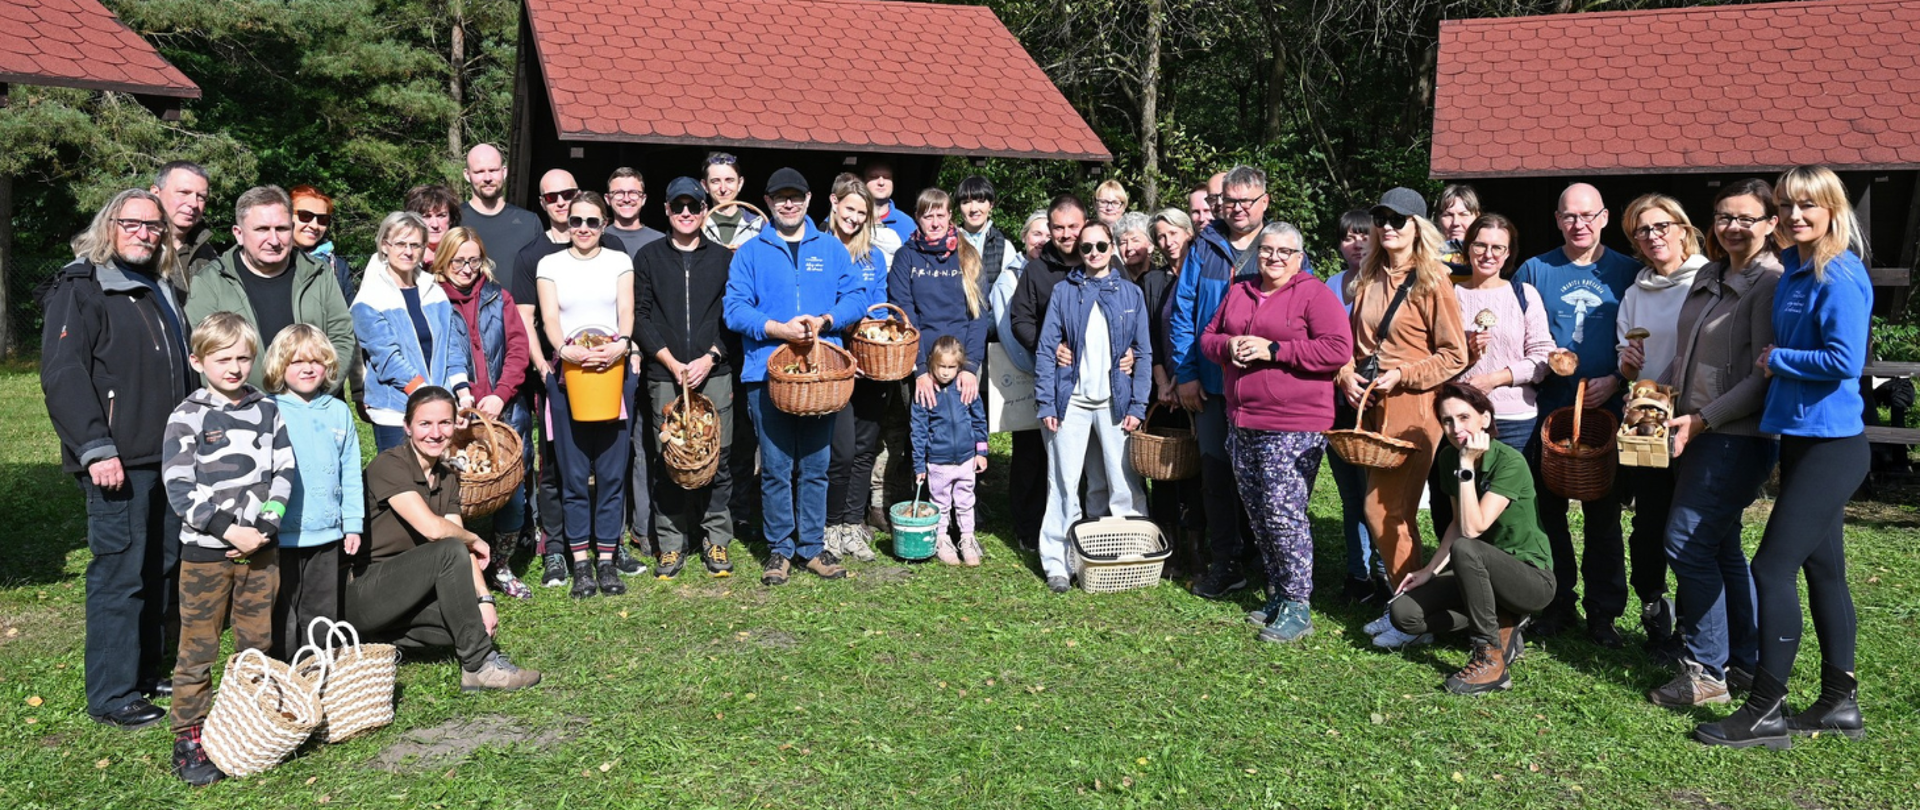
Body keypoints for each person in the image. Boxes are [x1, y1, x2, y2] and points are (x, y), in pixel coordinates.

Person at [1695, 166, 1872, 749]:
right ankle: (1839, 703)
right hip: (1800, 438)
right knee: (1825, 570)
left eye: (1808, 205)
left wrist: (1779, 360)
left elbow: (1845, 361)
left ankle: (1764, 709)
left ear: (1832, 209)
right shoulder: (1795, 268)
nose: (1796, 215)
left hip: (1833, 446)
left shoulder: (1837, 272)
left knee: (1771, 568)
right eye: (1788, 205)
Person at [41, 189, 196, 730]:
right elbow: (63, 374)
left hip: (167, 456)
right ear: (109, 225)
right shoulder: (81, 285)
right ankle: (112, 694)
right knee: (120, 573)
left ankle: (145, 671)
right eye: (132, 223)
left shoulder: (159, 285)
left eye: (153, 227)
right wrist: (95, 447)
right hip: (118, 460)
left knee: (161, 568)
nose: (143, 234)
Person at [1647, 178, 1781, 708]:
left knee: (1686, 541)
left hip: (1736, 436)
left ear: (1771, 224)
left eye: (1747, 218)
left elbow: (1761, 376)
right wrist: (1655, 396)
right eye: (1725, 216)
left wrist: (1705, 419)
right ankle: (1743, 661)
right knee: (1721, 546)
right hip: (1696, 429)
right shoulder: (1709, 273)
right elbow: (1687, 355)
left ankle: (1705, 670)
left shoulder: (1769, 283)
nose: (1733, 227)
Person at [1200, 222, 1351, 642]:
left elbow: (1338, 348)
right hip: (1242, 419)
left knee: (1284, 514)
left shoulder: (1314, 294)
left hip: (1293, 423)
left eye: (1285, 252)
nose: (1274, 258)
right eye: (1267, 250)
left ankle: (1298, 606)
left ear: (1299, 258)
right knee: (1259, 511)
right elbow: (1208, 338)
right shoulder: (1240, 290)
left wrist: (1275, 350)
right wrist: (1228, 346)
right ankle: (1279, 593)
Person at [161, 312, 294, 786]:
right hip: (206, 554)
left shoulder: (267, 409)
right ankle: (189, 736)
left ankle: (251, 722)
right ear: (198, 361)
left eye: (243, 358)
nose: (235, 368)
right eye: (223, 359)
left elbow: (284, 471)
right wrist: (227, 530)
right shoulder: (188, 416)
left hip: (260, 550)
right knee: (197, 648)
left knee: (256, 643)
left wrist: (265, 526)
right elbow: (179, 487)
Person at [1510, 182, 1641, 645]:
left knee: (1603, 517)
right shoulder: (1535, 270)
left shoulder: (1628, 272)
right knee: (1548, 515)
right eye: (1569, 216)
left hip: (1605, 413)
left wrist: (1618, 380)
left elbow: (1644, 339)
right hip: (1547, 412)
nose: (1578, 224)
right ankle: (1555, 603)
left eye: (1587, 215)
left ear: (1604, 218)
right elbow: (1515, 332)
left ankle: (1603, 612)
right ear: (1557, 219)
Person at [1338, 187, 1469, 650]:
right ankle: (1405, 605)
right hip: (1372, 404)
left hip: (1414, 408)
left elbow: (1455, 355)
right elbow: (1352, 345)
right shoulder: (1368, 277)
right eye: (1381, 218)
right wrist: (1345, 373)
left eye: (1399, 219)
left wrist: (1404, 374)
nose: (1388, 226)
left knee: (1386, 511)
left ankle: (1414, 616)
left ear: (1418, 227)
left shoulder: (1433, 280)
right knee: (1390, 512)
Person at [348, 386, 542, 695]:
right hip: (365, 592)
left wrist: (484, 599)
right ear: (407, 426)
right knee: (448, 550)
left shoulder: (447, 476)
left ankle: (378, 642)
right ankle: (479, 667)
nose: (436, 433)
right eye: (425, 424)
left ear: (455, 426)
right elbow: (435, 531)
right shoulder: (388, 465)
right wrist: (475, 538)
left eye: (444, 423)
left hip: (409, 591)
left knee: (467, 623)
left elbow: (457, 537)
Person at [724, 168, 865, 585]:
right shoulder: (751, 252)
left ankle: (812, 547)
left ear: (809, 200)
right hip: (767, 373)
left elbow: (856, 297)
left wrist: (826, 320)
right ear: (768, 202)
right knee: (775, 466)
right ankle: (780, 549)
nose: (789, 203)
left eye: (796, 196)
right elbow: (735, 309)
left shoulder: (831, 249)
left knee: (817, 464)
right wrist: (777, 329)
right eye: (780, 197)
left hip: (821, 374)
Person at [1387, 382, 1556, 695]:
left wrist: (1467, 466)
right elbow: (1457, 523)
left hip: (1531, 579)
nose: (1455, 428)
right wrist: (1429, 570)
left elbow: (1473, 529)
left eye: (1464, 417)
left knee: (1467, 548)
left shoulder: (1509, 462)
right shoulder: (1449, 458)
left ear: (1485, 419)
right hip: (1477, 572)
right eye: (1447, 420)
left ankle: (1490, 657)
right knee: (1404, 614)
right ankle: (1501, 620)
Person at [514, 170, 641, 583]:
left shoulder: (619, 260)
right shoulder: (549, 264)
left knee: (610, 470)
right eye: (576, 220)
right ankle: (580, 560)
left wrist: (622, 344)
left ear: (604, 224)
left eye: (591, 221)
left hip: (612, 371)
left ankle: (607, 558)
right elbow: (548, 317)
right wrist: (562, 349)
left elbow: (626, 310)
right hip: (568, 375)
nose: (583, 228)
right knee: (571, 473)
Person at [1168, 165, 1275, 599]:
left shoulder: (1278, 246)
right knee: (1216, 476)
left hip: (1263, 389)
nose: (1238, 208)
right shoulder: (1204, 247)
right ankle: (1225, 561)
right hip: (1212, 386)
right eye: (1231, 201)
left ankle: (1271, 561)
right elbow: (1183, 312)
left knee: (1265, 478)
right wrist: (1187, 374)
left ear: (1264, 202)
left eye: (1247, 201)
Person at [1033, 221, 1152, 593]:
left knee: (1123, 481)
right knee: (1064, 483)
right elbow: (1046, 349)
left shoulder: (1131, 294)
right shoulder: (1063, 292)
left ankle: (1132, 555)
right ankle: (1058, 563)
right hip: (1071, 401)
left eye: (1101, 246)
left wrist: (1138, 403)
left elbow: (1144, 352)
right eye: (1086, 247)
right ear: (1079, 252)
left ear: (1112, 247)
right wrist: (1046, 401)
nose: (1094, 253)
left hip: (1116, 401)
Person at [1615, 193, 1709, 653]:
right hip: (1648, 428)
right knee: (1649, 525)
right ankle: (1654, 607)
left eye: (1661, 226)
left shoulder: (1709, 281)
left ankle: (1697, 626)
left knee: (1693, 529)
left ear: (1683, 228)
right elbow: (1626, 367)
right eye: (1642, 230)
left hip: (1700, 421)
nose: (1653, 236)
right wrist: (1629, 366)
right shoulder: (1635, 294)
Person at [1430, 214, 1553, 556]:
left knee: (1505, 513)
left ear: (1509, 253)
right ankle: (1456, 575)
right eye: (1480, 245)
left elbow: (1542, 357)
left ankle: (1506, 577)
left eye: (1498, 247)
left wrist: (1494, 379)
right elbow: (1432, 356)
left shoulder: (1523, 294)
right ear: (1467, 249)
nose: (1488, 254)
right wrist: (1467, 356)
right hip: (1458, 421)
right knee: (1453, 506)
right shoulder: (1449, 295)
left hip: (1513, 420)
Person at [635, 177, 738, 579]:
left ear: (703, 210)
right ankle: (671, 543)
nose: (685, 213)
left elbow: (733, 316)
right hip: (666, 374)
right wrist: (669, 360)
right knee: (670, 459)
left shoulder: (724, 259)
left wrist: (711, 357)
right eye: (677, 206)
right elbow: (640, 316)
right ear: (666, 209)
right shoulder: (648, 257)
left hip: (714, 372)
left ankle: (716, 538)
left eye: (693, 206)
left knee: (718, 457)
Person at [1008, 196, 1115, 550]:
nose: (1066, 234)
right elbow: (1020, 319)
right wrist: (1048, 345)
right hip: (1059, 382)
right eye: (1058, 227)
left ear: (1086, 225)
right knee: (1055, 467)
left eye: (1073, 226)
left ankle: (1099, 536)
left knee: (1102, 468)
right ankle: (1045, 534)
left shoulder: (1103, 261)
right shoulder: (1037, 271)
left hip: (1104, 385)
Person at [435, 226, 536, 598]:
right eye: (458, 261)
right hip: (457, 412)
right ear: (444, 261)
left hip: (502, 411)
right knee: (455, 494)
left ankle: (502, 566)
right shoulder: (433, 300)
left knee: (511, 489)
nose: (466, 268)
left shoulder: (498, 297)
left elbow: (518, 349)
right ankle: (459, 568)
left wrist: (501, 394)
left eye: (474, 261)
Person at [182, 185, 357, 392]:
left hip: (313, 403)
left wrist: (316, 395)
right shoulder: (211, 281)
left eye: (281, 229)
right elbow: (200, 349)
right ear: (238, 234)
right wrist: (242, 402)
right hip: (241, 406)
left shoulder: (319, 274)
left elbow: (342, 338)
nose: (274, 240)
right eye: (262, 229)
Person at [263, 324, 363, 660]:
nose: (308, 369)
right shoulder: (267, 410)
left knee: (320, 612)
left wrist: (353, 523)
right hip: (281, 534)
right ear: (279, 366)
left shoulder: (338, 411)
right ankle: (283, 674)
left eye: (316, 361)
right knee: (283, 612)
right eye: (296, 362)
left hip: (326, 533)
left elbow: (350, 470)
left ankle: (318, 672)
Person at [352, 211, 474, 451]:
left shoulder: (434, 291)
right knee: (401, 475)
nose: (408, 251)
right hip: (396, 412)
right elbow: (388, 360)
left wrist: (463, 394)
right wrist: (429, 398)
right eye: (400, 243)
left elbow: (451, 349)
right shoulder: (369, 299)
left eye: (416, 245)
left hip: (439, 412)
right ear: (384, 245)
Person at [823, 175, 892, 562]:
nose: (854, 218)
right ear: (834, 203)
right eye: (849, 209)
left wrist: (871, 344)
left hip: (870, 363)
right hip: (832, 363)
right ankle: (830, 525)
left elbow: (878, 306)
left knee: (865, 449)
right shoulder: (817, 248)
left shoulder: (873, 257)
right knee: (840, 452)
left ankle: (853, 525)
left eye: (861, 213)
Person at [1326, 209, 1382, 603]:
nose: (1357, 244)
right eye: (1348, 237)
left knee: (1374, 495)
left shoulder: (1386, 282)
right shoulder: (1331, 285)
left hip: (1376, 399)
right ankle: (1356, 573)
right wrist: (1341, 375)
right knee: (1350, 495)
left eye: (1364, 235)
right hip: (1338, 399)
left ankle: (1384, 572)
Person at [1145, 207, 1203, 577]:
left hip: (1198, 386)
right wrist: (1163, 382)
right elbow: (1149, 336)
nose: (1167, 243)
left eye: (1173, 234)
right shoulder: (1153, 281)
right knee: (1163, 469)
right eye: (1160, 237)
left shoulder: (1205, 274)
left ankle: (1198, 550)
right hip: (1164, 389)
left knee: (1198, 471)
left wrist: (1187, 380)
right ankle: (1169, 551)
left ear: (1188, 232)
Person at [990, 208, 1051, 552]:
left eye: (1048, 234)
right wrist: (1041, 367)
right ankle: (1026, 526)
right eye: (1036, 233)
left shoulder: (1058, 271)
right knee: (1029, 454)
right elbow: (1010, 336)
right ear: (1024, 237)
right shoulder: (1009, 280)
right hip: (1028, 376)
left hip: (1055, 378)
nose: (1042, 240)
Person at [912, 336, 989, 566]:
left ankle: (967, 539)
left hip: (966, 459)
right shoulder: (926, 393)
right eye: (941, 366)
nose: (946, 372)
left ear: (959, 366)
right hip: (938, 462)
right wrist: (919, 464)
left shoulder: (965, 388)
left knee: (966, 501)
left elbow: (979, 419)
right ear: (932, 364)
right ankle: (942, 540)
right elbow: (918, 431)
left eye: (951, 367)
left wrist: (981, 452)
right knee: (941, 503)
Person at [459, 144, 544, 276]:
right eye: (479, 172)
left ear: (504, 172)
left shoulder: (529, 223)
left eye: (493, 170)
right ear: (467, 174)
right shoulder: (454, 220)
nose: (487, 178)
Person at [954, 176, 1025, 305]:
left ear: (991, 205)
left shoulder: (1004, 246)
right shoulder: (948, 242)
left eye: (980, 201)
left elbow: (1011, 293)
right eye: (966, 202)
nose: (973, 209)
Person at [150, 161, 221, 274]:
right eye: (183, 192)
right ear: (155, 193)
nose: (193, 203)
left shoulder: (208, 256)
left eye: (201, 197)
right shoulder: (139, 248)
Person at [289, 184, 354, 298]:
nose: (314, 226)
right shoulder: (270, 260)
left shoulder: (338, 267)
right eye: (305, 216)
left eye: (322, 219)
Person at [701, 152, 765, 249]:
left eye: (729, 180)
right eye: (715, 181)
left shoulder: (758, 225)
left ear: (740, 183)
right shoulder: (697, 226)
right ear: (705, 186)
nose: (723, 189)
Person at [605, 166, 666, 261]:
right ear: (608, 199)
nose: (626, 199)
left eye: (633, 193)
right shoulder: (597, 239)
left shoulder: (661, 242)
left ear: (643, 199)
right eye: (618, 193)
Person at [405, 184, 462, 263]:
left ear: (451, 219)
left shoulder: (463, 256)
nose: (435, 225)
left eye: (441, 216)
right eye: (426, 217)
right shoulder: (403, 258)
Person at [863, 158, 916, 246]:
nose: (881, 182)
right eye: (874, 177)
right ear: (863, 181)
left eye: (887, 177)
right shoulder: (854, 220)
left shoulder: (907, 224)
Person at [1436, 183, 1481, 279]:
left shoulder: (1489, 258)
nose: (1455, 222)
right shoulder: (1425, 257)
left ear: (1477, 218)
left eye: (1464, 214)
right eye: (1448, 215)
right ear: (1438, 219)